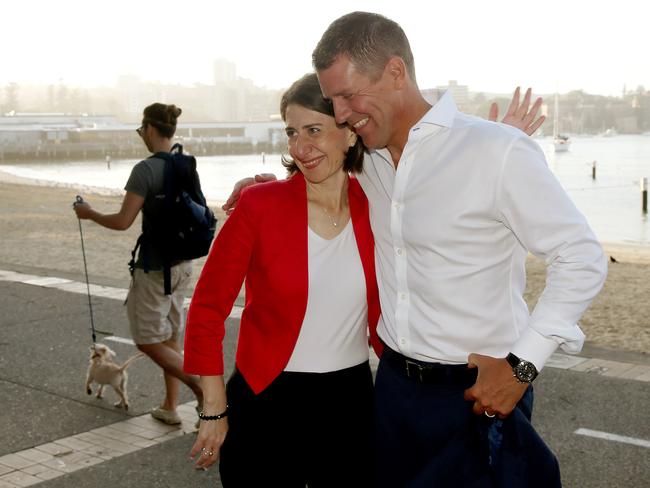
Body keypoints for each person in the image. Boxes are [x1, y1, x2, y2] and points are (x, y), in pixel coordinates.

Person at [225, 11, 607, 488]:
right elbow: (322, 178)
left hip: (477, 393)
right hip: (393, 390)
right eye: (333, 101)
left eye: (347, 95)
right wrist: (263, 187)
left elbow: (581, 258)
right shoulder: (373, 160)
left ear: (395, 72)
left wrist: (522, 367)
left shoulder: (495, 151)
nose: (341, 113)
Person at [182, 72, 381, 486]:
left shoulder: (379, 205)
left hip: (351, 403)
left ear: (349, 133)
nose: (299, 147)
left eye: (314, 130)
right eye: (292, 132)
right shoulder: (260, 205)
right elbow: (207, 308)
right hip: (265, 401)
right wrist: (214, 408)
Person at [73, 103, 203, 426]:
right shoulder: (185, 165)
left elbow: (122, 220)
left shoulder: (145, 170)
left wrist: (88, 213)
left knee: (147, 340)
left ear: (149, 129)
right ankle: (170, 407)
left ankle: (203, 388)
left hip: (156, 268)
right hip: (183, 265)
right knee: (171, 336)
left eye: (141, 130)